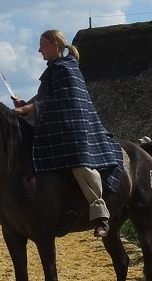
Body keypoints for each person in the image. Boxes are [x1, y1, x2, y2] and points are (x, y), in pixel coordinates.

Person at [12, 29, 121, 238]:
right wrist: (26, 104)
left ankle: (101, 214)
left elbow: (62, 100)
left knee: (80, 165)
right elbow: (46, 99)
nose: (39, 50)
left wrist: (26, 109)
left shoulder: (65, 68)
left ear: (54, 45)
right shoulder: (54, 70)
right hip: (56, 128)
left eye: (42, 45)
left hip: (74, 128)